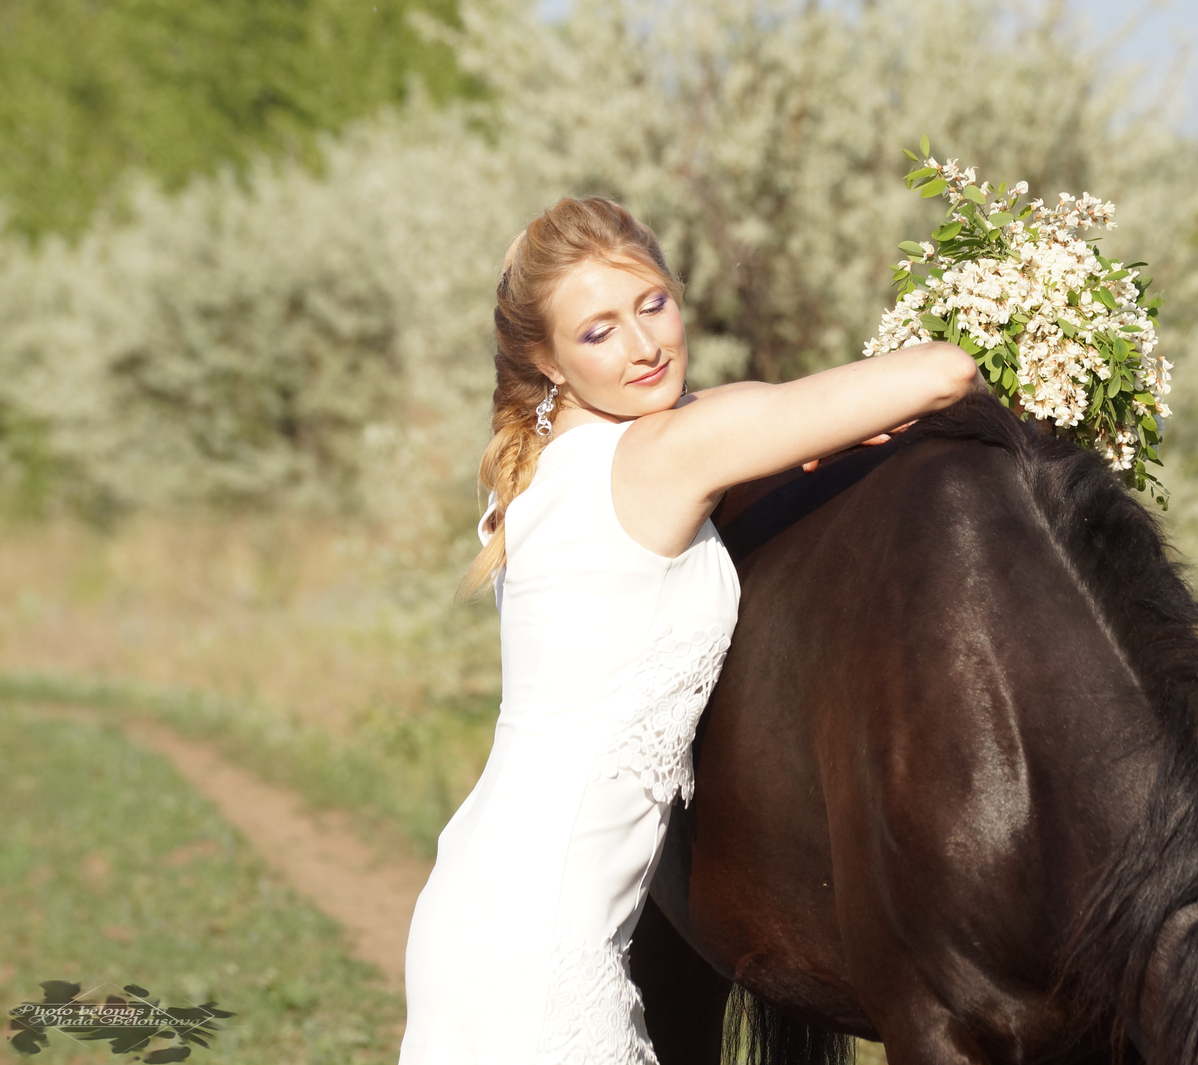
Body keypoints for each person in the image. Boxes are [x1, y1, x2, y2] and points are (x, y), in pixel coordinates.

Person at [397, 196, 976, 1064]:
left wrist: (791, 427)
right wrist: (815, 417)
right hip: (540, 942)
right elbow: (944, 370)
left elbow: (707, 425)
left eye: (653, 304)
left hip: (480, 905)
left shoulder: (539, 469)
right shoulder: (671, 456)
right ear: (545, 361)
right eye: (597, 332)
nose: (642, 345)